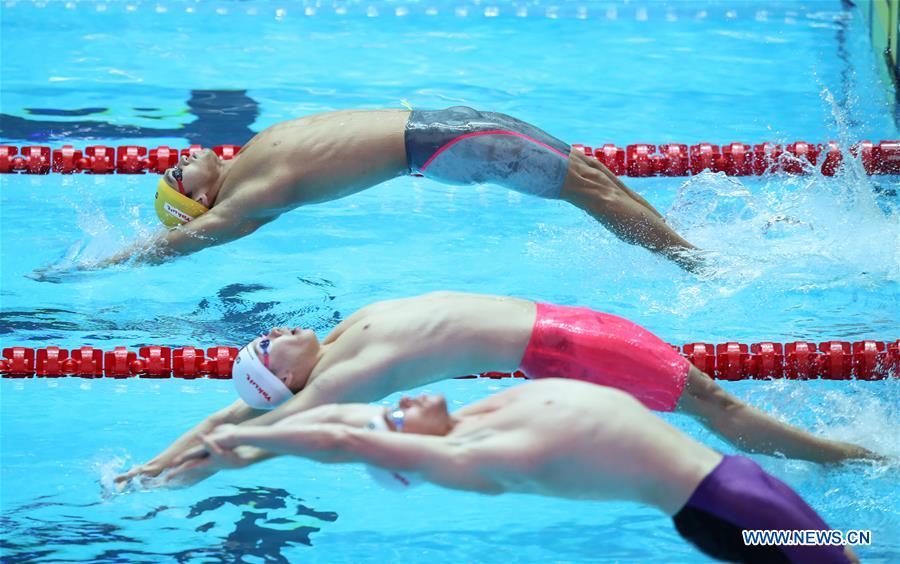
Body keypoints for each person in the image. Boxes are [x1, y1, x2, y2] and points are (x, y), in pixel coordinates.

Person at [115, 291, 878, 488]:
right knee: (717, 403)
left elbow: (232, 410)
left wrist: (155, 460)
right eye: (266, 346)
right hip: (563, 345)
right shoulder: (341, 375)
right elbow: (256, 433)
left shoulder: (339, 337)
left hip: (561, 324)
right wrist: (184, 471)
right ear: (286, 377)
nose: (272, 329)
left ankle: (836, 455)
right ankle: (848, 457)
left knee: (711, 402)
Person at [165, 379, 859, 563]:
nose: (399, 405)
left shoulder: (473, 418)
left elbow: (350, 422)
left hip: (728, 486)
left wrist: (253, 434)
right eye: (397, 419)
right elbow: (344, 440)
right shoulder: (472, 457)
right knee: (843, 557)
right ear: (409, 454)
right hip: (726, 502)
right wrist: (248, 438)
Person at [59, 106, 700, 272]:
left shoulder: (247, 166)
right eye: (176, 178)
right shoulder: (250, 194)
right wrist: (106, 262)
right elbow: (197, 237)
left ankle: (683, 246)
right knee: (587, 190)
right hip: (443, 144)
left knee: (590, 175)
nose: (179, 162)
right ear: (199, 202)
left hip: (439, 127)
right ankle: (693, 262)